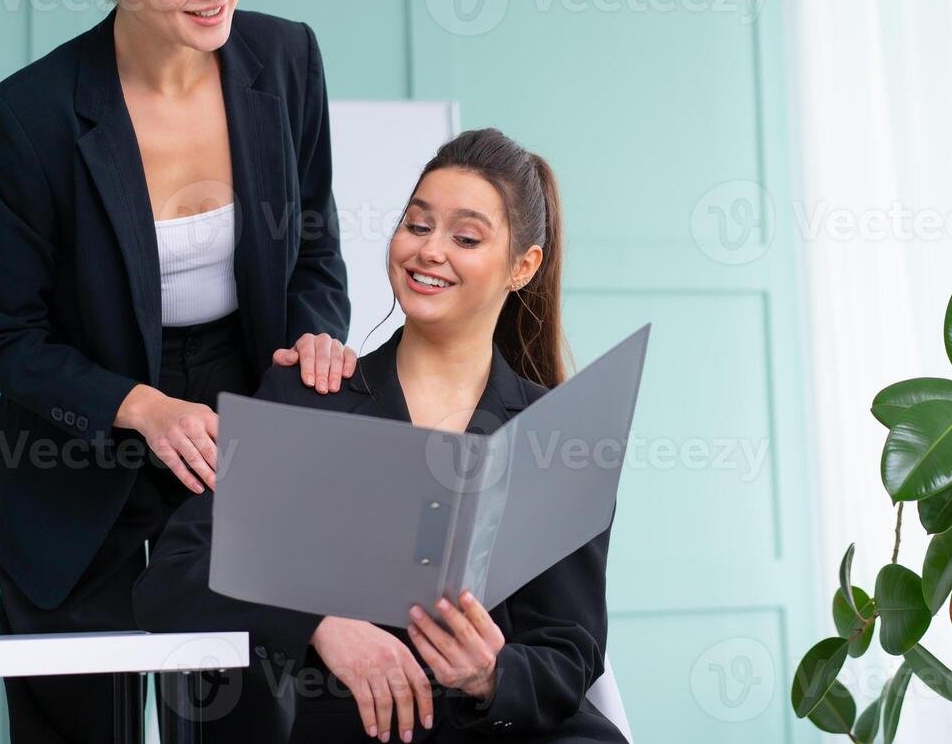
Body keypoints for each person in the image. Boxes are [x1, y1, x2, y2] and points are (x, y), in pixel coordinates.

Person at [0, 0, 359, 743]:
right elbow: (3, 336)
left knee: (243, 713)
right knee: (79, 720)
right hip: (81, 429)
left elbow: (314, 251)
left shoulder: (286, 60)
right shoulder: (28, 116)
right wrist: (140, 406)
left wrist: (311, 345)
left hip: (238, 416)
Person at [133, 128, 627, 743]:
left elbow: (569, 652)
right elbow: (173, 575)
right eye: (417, 226)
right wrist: (315, 622)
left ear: (523, 267)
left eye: (466, 237)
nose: (429, 251)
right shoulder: (311, 401)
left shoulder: (557, 437)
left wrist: (491, 675)